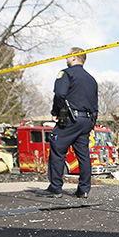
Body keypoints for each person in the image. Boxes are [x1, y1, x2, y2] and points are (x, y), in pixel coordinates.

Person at [42, 47, 98, 198]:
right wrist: (92, 124)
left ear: (74, 57)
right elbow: (95, 104)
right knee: (83, 155)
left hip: (70, 120)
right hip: (86, 120)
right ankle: (84, 189)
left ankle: (56, 187)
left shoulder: (66, 74)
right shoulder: (91, 79)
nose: (66, 59)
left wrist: (56, 112)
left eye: (68, 56)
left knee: (57, 149)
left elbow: (60, 94)